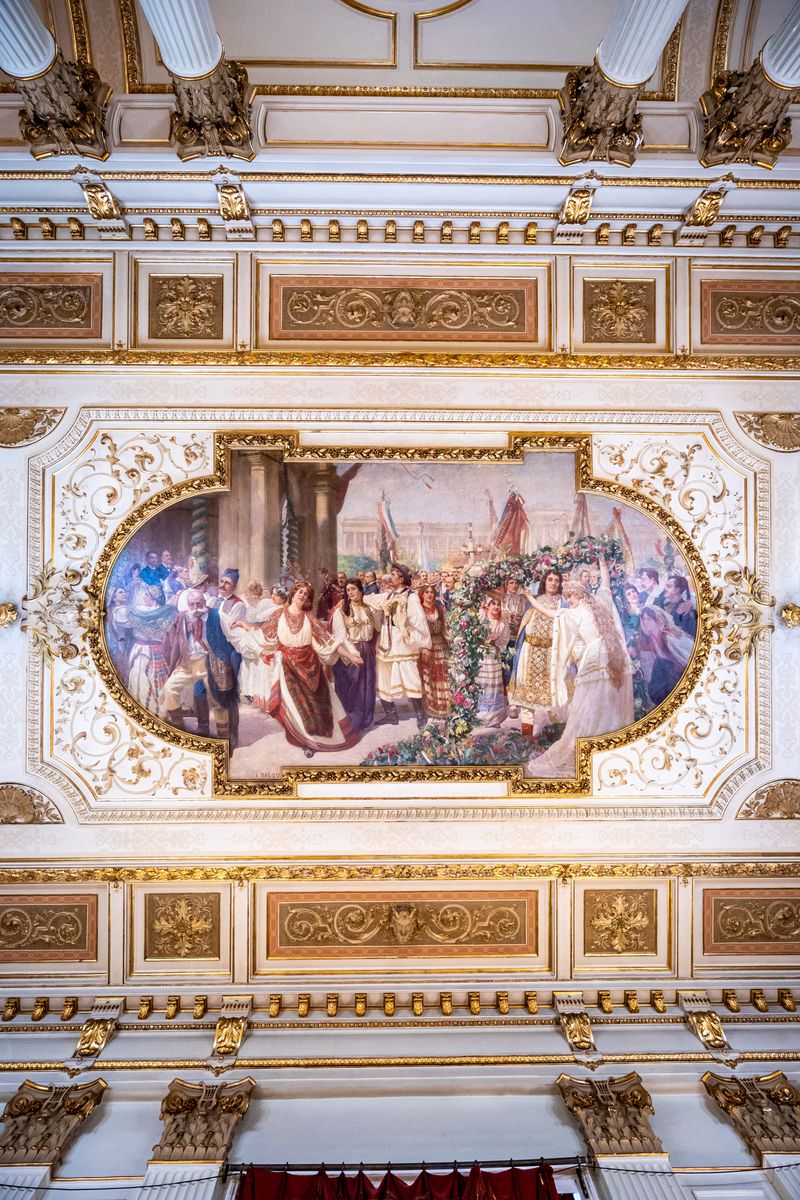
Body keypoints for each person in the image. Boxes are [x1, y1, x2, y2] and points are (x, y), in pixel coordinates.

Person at [529, 553, 634, 777]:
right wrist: (603, 562)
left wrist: (529, 599)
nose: (569, 601)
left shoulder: (574, 612)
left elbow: (550, 613)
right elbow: (605, 584)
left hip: (596, 659)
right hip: (617, 658)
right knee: (611, 703)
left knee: (590, 706)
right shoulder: (601, 602)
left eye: (570, 598)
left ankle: (591, 744)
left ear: (576, 595)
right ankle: (610, 748)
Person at [259, 580, 363, 757]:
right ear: (293, 593)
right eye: (299, 591)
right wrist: (245, 626)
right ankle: (305, 742)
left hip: (311, 665)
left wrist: (350, 655)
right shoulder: (279, 614)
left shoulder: (309, 618)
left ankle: (319, 739)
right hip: (288, 666)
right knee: (296, 705)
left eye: (306, 594)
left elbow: (328, 641)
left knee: (317, 705)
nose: (302, 595)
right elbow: (263, 633)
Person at [161, 588, 240, 744]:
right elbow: (170, 640)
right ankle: (180, 730)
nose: (196, 608)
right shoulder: (182, 618)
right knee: (169, 688)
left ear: (204, 603)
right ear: (188, 605)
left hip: (210, 663)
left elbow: (235, 635)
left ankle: (224, 738)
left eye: (199, 604)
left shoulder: (217, 616)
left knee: (217, 699)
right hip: (187, 663)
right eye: (192, 604)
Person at [364, 562, 432, 728]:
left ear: (402, 579)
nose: (390, 577)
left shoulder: (411, 597)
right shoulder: (388, 595)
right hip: (386, 641)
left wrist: (424, 645)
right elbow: (370, 599)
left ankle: (420, 714)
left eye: (393, 575)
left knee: (410, 676)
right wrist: (356, 596)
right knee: (383, 676)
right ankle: (391, 715)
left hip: (403, 642)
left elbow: (419, 622)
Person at [508, 569, 564, 739]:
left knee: (554, 696)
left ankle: (557, 736)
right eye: (550, 579)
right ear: (544, 582)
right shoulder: (535, 600)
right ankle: (527, 738)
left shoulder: (563, 603)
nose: (553, 583)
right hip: (529, 651)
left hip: (550, 655)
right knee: (526, 698)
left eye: (556, 580)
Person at [331, 578, 379, 732]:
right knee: (352, 688)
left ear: (360, 589)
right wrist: (353, 654)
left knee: (367, 686)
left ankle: (365, 720)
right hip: (350, 651)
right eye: (348, 590)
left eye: (353, 589)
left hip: (368, 651)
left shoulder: (369, 609)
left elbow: (377, 627)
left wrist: (377, 610)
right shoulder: (341, 611)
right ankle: (351, 723)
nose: (350, 592)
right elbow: (341, 636)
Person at [125, 587, 178, 717]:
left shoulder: (167, 613)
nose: (144, 598)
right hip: (140, 649)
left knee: (158, 683)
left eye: (147, 595)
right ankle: (143, 713)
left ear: (154, 597)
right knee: (139, 680)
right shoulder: (138, 612)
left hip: (157, 651)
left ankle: (160, 714)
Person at [638, 606, 694, 706]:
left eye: (649, 619)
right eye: (644, 619)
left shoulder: (668, 637)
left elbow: (688, 658)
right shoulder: (653, 638)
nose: (646, 622)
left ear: (658, 620)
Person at [417, 584, 449, 719]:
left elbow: (445, 629)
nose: (429, 594)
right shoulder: (419, 610)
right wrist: (422, 647)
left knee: (442, 675)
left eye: (431, 592)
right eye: (427, 592)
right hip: (426, 647)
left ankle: (445, 706)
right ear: (422, 595)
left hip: (440, 645)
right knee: (429, 676)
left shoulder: (439, 609)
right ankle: (431, 707)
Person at [476, 596, 509, 727]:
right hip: (480, 654)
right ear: (487, 606)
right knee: (483, 683)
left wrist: (497, 646)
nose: (496, 607)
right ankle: (481, 717)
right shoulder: (482, 618)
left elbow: (504, 640)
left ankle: (494, 718)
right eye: (493, 604)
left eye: (498, 604)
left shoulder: (502, 622)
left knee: (494, 683)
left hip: (493, 655)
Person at [620, 581, 651, 720]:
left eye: (633, 592)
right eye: (629, 594)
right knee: (638, 677)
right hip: (634, 647)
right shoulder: (626, 614)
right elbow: (627, 632)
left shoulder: (646, 607)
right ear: (625, 598)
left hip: (649, 646)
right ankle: (640, 709)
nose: (632, 595)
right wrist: (630, 648)